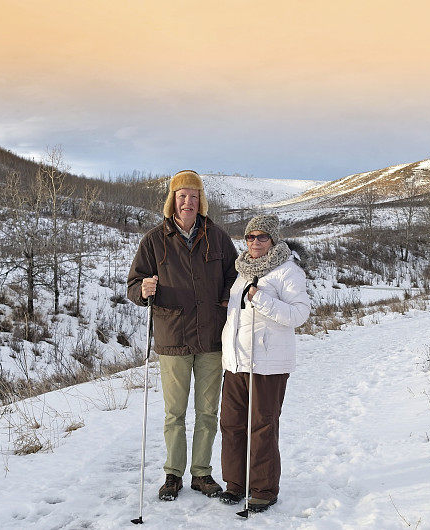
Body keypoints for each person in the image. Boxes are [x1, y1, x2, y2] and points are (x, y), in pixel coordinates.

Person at [127, 170, 238, 501]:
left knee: (207, 412)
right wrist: (143, 289)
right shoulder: (154, 240)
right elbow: (134, 284)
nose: (187, 201)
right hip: (173, 336)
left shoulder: (217, 237)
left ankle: (201, 474)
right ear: (172, 201)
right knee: (174, 413)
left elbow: (235, 276)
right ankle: (173, 473)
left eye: (193, 196)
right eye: (181, 195)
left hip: (211, 339)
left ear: (200, 200)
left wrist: (223, 299)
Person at [218, 214, 310, 512]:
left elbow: (299, 315)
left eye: (262, 237)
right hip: (236, 363)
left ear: (273, 240)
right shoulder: (241, 271)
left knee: (262, 426)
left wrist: (261, 299)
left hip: (268, 366)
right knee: (231, 424)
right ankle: (235, 484)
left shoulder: (288, 271)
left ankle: (264, 489)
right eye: (250, 237)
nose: (255, 242)